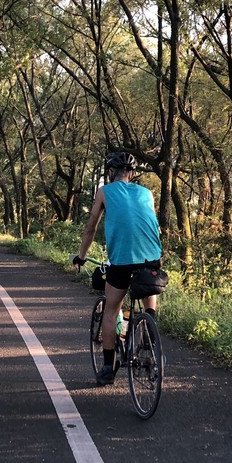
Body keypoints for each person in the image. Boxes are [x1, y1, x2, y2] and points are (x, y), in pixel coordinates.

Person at [72, 151, 162, 385]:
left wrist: (81, 257)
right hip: (152, 259)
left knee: (111, 311)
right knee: (147, 294)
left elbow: (91, 228)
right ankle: (149, 326)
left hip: (121, 260)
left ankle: (107, 368)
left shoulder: (105, 191)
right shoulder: (147, 193)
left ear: (111, 173)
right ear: (131, 174)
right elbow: (151, 226)